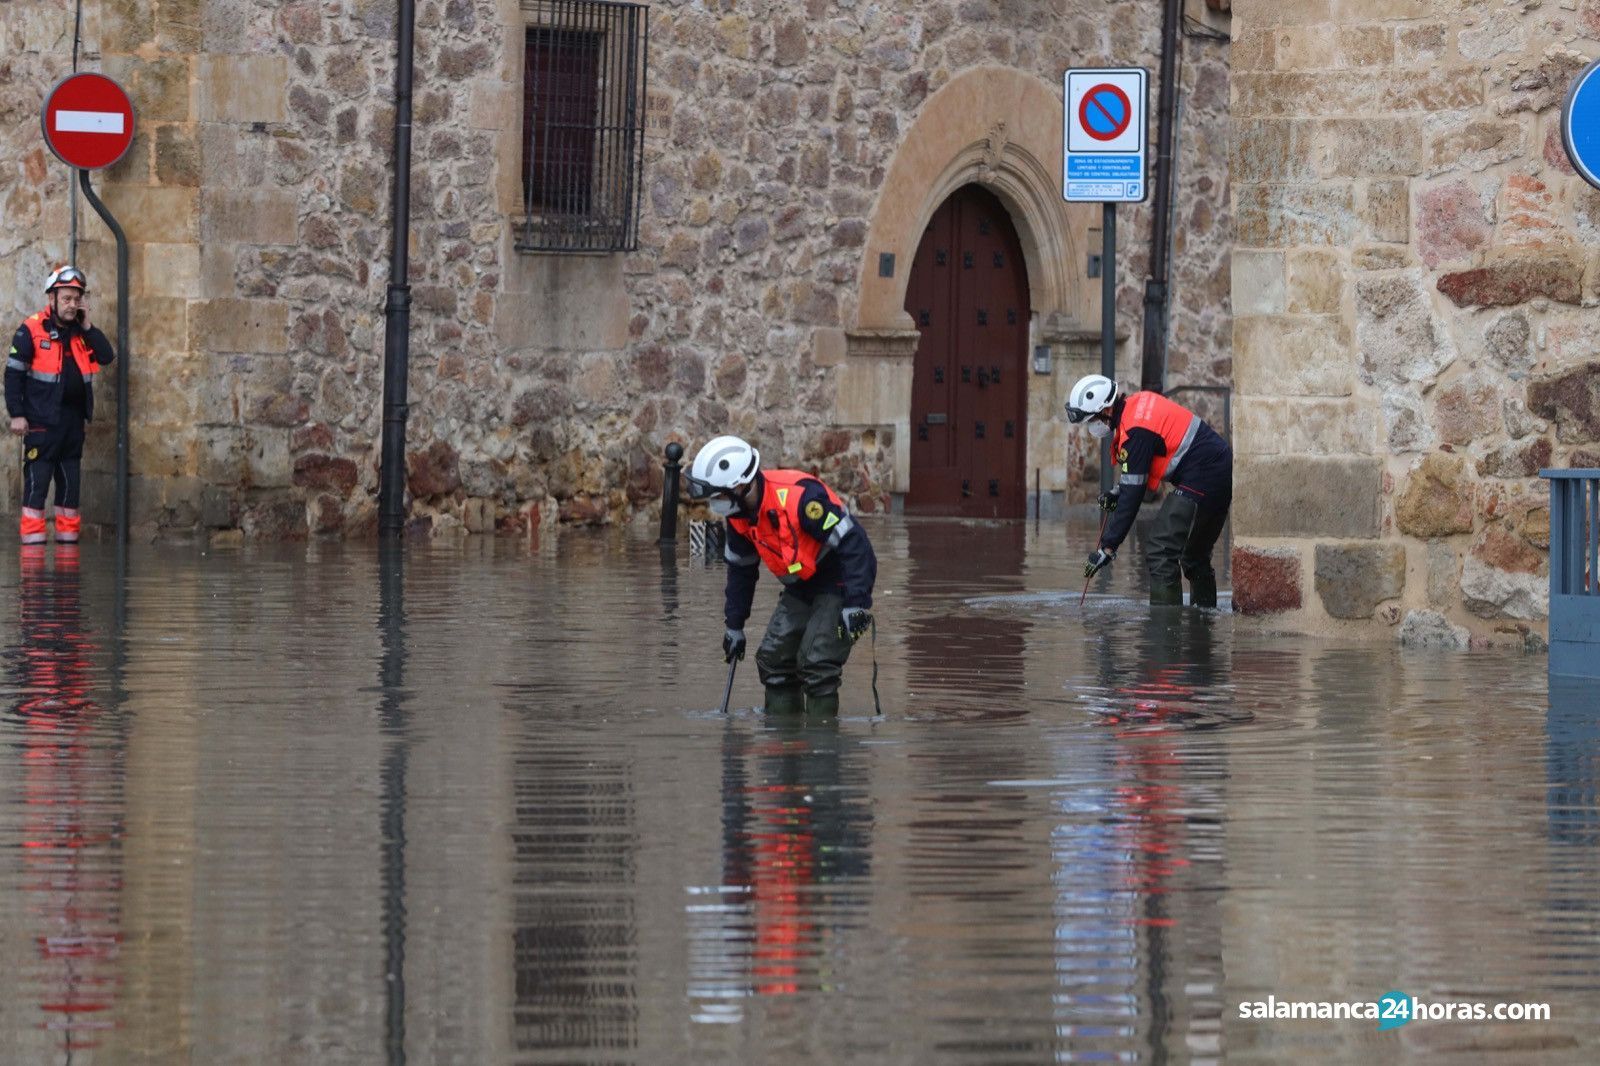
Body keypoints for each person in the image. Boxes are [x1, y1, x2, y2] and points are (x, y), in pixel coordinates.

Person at [685, 435, 877, 715]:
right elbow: (741, 572)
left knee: (817, 662)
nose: (714, 504)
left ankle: (822, 748)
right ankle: (784, 746)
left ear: (740, 485)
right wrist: (734, 626)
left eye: (717, 496)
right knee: (773, 660)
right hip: (801, 585)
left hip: (840, 580)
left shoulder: (801, 499)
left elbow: (855, 544)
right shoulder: (738, 516)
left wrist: (856, 603)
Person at [1066, 374, 1232, 607]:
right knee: (1194, 557)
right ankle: (1202, 624)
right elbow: (1136, 475)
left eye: (1091, 420)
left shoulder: (1135, 432)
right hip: (1216, 470)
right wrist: (1118, 492)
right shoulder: (1137, 406)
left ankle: (1165, 630)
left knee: (1160, 550)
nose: (1091, 426)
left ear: (1105, 410)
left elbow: (1134, 494)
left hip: (1205, 476)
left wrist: (1107, 547)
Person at [6, 266, 116, 544]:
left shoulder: (82, 331)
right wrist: (17, 415)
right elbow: (13, 374)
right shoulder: (31, 329)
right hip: (41, 424)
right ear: (52, 299)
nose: (72, 305)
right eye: (66, 299)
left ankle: (68, 560)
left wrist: (88, 325)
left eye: (76, 299)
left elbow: (106, 356)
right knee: (37, 489)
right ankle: (32, 565)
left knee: (70, 493)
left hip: (72, 424)